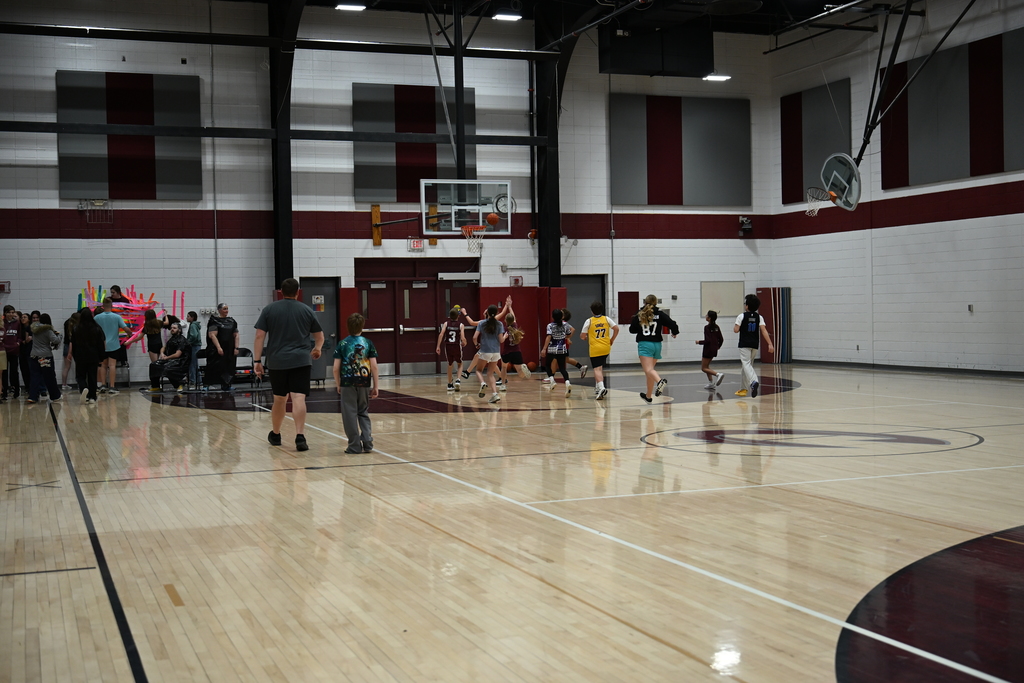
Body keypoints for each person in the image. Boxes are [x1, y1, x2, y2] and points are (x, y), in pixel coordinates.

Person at [253, 279, 325, 452]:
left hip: (277, 360)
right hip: (301, 360)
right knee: (299, 398)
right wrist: (317, 349)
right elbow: (319, 336)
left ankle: (276, 434)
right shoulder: (306, 310)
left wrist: (257, 361)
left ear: (281, 292)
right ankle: (300, 436)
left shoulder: (269, 310)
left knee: (279, 398)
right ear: (297, 292)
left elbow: (259, 336)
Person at [333, 313, 379, 454]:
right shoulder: (368, 343)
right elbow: (374, 366)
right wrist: (376, 385)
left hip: (348, 382)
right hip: (364, 382)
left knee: (349, 414)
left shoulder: (342, 344)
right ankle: (367, 440)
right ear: (362, 326)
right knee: (363, 411)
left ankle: (354, 445)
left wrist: (338, 383)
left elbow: (335, 368)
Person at [629, 294, 679, 404]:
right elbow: (673, 324)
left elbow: (632, 329)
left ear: (645, 302)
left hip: (645, 344)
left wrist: (640, 327)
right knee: (650, 371)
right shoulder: (660, 314)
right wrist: (674, 332)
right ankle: (648, 396)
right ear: (656, 303)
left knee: (649, 370)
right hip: (657, 345)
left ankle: (660, 381)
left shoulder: (640, 314)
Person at [733, 294, 774, 398]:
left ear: (747, 306)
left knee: (746, 364)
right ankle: (743, 389)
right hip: (754, 344)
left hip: (744, 344)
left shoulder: (741, 316)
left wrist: (738, 325)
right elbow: (764, 331)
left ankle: (754, 381)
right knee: (747, 366)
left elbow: (736, 330)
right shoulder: (759, 317)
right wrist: (770, 344)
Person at [580, 300, 619, 400]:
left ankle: (601, 387)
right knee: (599, 367)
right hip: (606, 347)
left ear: (592, 311)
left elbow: (582, 336)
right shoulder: (606, 319)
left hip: (595, 348)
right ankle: (597, 387)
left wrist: (585, 337)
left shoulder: (589, 321)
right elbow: (616, 329)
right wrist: (612, 339)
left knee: (596, 369)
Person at [94, 298, 133, 395]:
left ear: (103, 306)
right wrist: (130, 334)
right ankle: (112, 386)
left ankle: (103, 385)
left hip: (101, 345)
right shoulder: (116, 317)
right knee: (112, 365)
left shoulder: (97, 318)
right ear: (111, 306)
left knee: (103, 365)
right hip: (114, 345)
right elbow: (125, 328)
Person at [71, 308, 105, 404]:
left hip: (80, 355)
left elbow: (74, 344)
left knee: (80, 376)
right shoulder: (97, 328)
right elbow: (100, 344)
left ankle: (84, 388)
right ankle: (92, 397)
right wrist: (101, 356)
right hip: (93, 356)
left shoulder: (76, 328)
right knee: (92, 376)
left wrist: (74, 356)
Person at [474, 304, 506, 404]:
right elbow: (501, 340)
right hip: (496, 352)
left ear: (487, 312)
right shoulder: (500, 324)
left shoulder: (481, 323)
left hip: (485, 350)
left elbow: (475, 337)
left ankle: (483, 383)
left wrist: (476, 345)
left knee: (479, 370)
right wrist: (505, 336)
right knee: (491, 374)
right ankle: (495, 394)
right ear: (496, 313)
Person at [27, 313, 62, 404]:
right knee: (49, 377)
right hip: (45, 356)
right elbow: (56, 340)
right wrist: (60, 335)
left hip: (34, 355)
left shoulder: (34, 329)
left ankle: (33, 396)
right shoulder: (48, 330)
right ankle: (55, 396)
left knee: (35, 377)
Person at [147, 322, 189, 393]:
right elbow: (164, 347)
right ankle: (156, 386)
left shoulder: (182, 340)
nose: (172, 329)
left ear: (179, 330)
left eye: (174, 328)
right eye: (171, 328)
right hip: (170, 360)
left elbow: (177, 355)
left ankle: (178, 385)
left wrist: (167, 358)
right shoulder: (171, 339)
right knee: (154, 365)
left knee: (167, 367)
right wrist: (162, 353)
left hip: (180, 361)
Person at [206, 303, 240, 391]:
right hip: (216, 349)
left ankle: (227, 384)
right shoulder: (214, 321)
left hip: (229, 349)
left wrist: (236, 348)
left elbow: (236, 335)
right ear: (219, 310)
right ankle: (208, 385)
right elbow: (212, 335)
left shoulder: (232, 321)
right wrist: (218, 347)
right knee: (213, 366)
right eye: (224, 309)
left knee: (228, 366)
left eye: (227, 309)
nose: (226, 311)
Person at [541, 309, 574, 395]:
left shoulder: (550, 326)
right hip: (562, 349)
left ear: (552, 317)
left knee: (547, 365)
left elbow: (548, 337)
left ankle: (552, 380)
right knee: (562, 368)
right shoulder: (565, 324)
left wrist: (544, 348)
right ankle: (567, 382)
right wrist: (563, 336)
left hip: (552, 349)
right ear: (562, 317)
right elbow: (569, 334)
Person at [435, 307, 466, 392]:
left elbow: (441, 335)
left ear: (449, 316)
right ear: (458, 316)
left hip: (448, 346)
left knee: (450, 364)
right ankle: (458, 380)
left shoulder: (446, 323)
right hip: (456, 345)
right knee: (460, 363)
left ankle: (449, 384)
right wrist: (465, 342)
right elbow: (463, 338)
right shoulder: (461, 325)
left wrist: (438, 346)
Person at [499, 309, 530, 388]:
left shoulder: (504, 329)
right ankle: (524, 369)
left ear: (505, 320)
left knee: (504, 368)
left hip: (507, 352)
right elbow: (514, 317)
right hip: (516, 351)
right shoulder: (515, 327)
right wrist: (510, 306)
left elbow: (501, 340)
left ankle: (503, 385)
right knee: (520, 373)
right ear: (513, 320)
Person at [697, 310, 725, 390]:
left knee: (703, 368)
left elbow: (707, 341)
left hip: (708, 349)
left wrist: (699, 342)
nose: (705, 316)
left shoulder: (707, 327)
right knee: (707, 366)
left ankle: (717, 374)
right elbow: (721, 339)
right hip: (714, 349)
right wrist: (718, 346)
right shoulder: (717, 327)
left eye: (707, 315)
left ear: (709, 318)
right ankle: (711, 383)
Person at [558, 309, 588, 379]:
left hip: (562, 344)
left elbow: (573, 329)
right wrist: (568, 338)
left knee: (555, 359)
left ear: (563, 316)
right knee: (565, 359)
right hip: (562, 344)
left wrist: (568, 337)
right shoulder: (561, 323)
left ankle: (551, 377)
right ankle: (581, 367)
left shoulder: (563, 323)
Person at [2, 305, 22, 399]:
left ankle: (16, 391)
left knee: (14, 372)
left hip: (14, 350)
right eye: (9, 312)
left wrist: (18, 342)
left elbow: (19, 335)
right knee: (4, 372)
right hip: (4, 351)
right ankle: (4, 392)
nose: (11, 314)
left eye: (13, 312)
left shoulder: (17, 323)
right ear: (5, 313)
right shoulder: (2, 323)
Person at [61, 311, 80, 390]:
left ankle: (64, 384)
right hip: (75, 345)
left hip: (66, 345)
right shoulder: (77, 326)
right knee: (78, 366)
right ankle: (79, 383)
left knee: (66, 367)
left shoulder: (67, 323)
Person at [185, 311, 202, 387]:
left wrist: (188, 342)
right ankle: (199, 381)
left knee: (192, 364)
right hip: (196, 346)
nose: (187, 318)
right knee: (195, 364)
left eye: (188, 316)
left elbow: (194, 336)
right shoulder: (194, 325)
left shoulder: (193, 326)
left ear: (192, 318)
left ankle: (193, 381)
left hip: (194, 346)